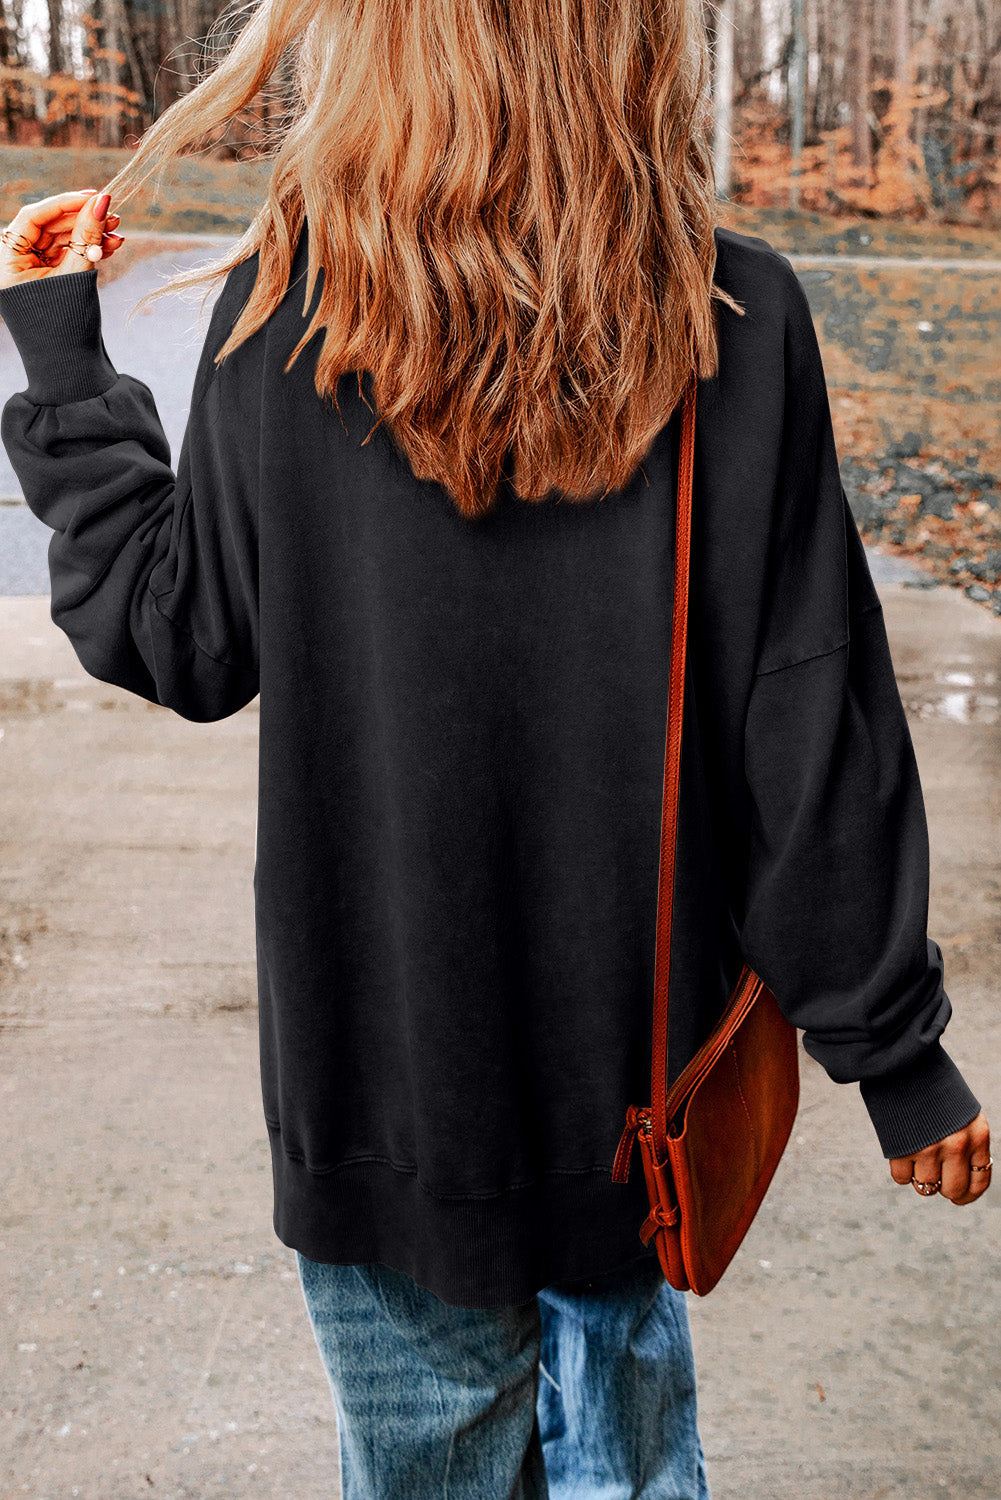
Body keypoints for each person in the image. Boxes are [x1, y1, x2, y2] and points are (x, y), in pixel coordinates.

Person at [0, 0, 991, 1494]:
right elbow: (806, 721)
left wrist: (66, 363)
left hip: (383, 1089)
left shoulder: (291, 312)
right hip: (639, 1092)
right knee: (632, 1460)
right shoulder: (732, 317)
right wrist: (893, 1053)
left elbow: (177, 637)